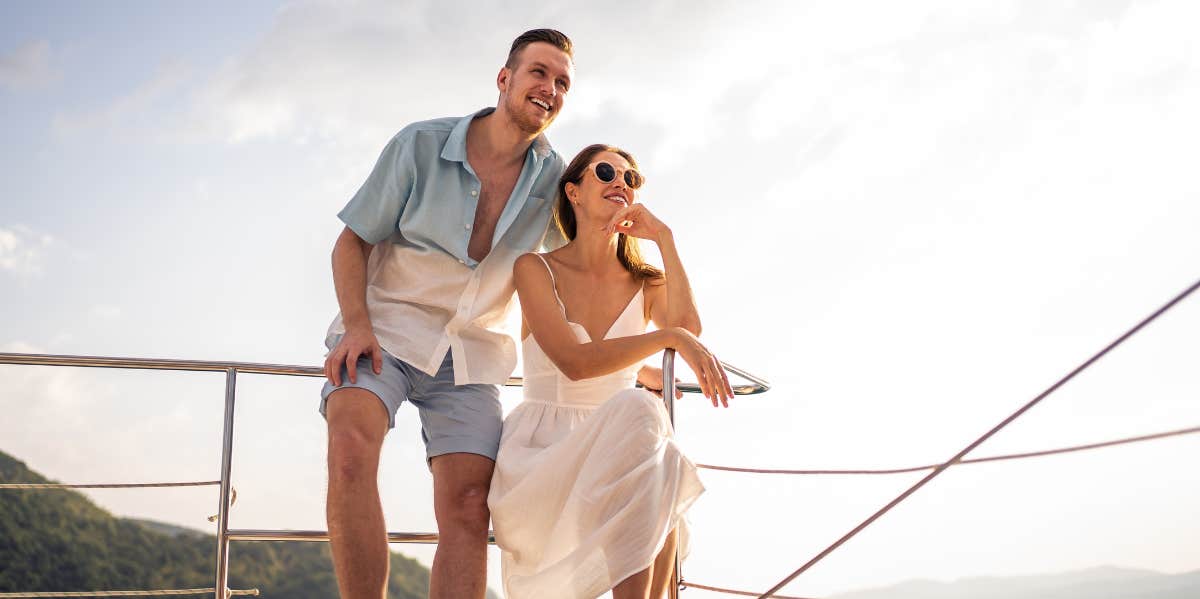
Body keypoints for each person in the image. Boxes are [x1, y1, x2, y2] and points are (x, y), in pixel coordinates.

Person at [318, 29, 576, 599]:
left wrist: (628, 365)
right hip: (383, 331)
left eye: (562, 82)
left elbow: (574, 281)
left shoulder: (556, 183)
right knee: (351, 450)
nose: (550, 89)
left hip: (473, 353)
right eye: (539, 73)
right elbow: (351, 242)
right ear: (504, 78)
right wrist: (357, 325)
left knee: (468, 504)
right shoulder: (420, 144)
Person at [488, 144, 735, 599]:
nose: (621, 182)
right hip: (545, 451)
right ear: (574, 192)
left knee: (654, 451)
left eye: (631, 178)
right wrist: (668, 342)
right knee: (645, 420)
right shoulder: (535, 268)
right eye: (606, 172)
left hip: (627, 448)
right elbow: (575, 363)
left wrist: (664, 238)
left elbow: (688, 328)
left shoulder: (645, 281)